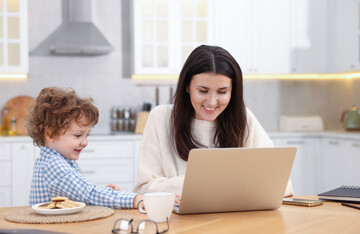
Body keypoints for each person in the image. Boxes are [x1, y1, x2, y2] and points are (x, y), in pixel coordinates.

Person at [133, 45, 293, 197]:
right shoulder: (161, 118)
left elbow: (282, 184)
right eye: (203, 91)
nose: (211, 102)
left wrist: (207, 185)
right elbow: (144, 190)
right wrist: (223, 183)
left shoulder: (244, 119)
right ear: (187, 86)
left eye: (222, 92)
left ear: (233, 91)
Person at [27, 87, 142, 208]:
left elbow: (79, 195)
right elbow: (90, 193)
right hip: (50, 227)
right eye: (78, 135)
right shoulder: (54, 166)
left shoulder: (53, 161)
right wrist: (134, 199)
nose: (85, 142)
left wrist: (105, 194)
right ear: (50, 134)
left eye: (87, 135)